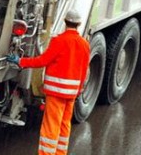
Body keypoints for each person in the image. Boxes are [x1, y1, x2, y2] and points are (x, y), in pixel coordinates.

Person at [7, 9, 90, 155]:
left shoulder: (58, 41)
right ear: (79, 24)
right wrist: (79, 89)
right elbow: (84, 69)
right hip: (71, 93)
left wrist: (21, 61)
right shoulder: (84, 44)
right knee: (65, 125)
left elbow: (42, 61)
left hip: (56, 92)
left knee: (51, 126)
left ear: (65, 22)